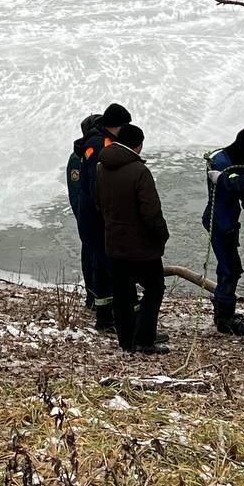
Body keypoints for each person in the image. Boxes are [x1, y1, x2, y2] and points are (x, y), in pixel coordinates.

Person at [96, 123, 170, 354]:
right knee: (155, 288)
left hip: (114, 243)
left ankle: (126, 340)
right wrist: (162, 234)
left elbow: (98, 204)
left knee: (122, 293)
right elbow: (151, 213)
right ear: (137, 145)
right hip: (142, 246)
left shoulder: (101, 167)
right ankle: (145, 338)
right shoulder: (139, 171)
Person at [76, 102, 132, 331]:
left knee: (102, 265)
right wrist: (107, 211)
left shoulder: (99, 139)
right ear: (116, 125)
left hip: (94, 214)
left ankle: (105, 316)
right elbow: (96, 182)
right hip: (97, 215)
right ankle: (124, 320)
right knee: (113, 267)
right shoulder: (99, 144)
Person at [202, 127, 244, 335]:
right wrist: (226, 228)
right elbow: (236, 187)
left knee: (227, 268)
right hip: (219, 220)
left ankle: (223, 311)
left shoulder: (239, 159)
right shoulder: (220, 163)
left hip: (228, 219)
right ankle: (223, 316)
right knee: (230, 269)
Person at [66, 113, 102, 309]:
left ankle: (97, 297)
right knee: (91, 257)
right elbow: (77, 193)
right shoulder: (78, 157)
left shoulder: (89, 153)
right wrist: (86, 216)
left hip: (92, 219)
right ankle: (93, 297)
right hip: (88, 219)